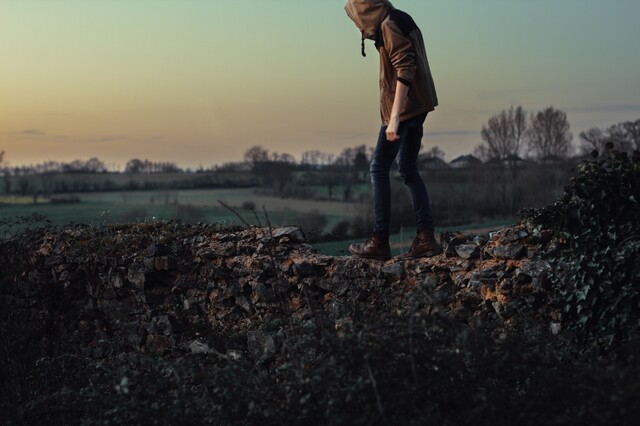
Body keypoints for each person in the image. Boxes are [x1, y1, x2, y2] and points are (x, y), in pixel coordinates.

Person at [345, 0, 442, 261]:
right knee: (408, 169)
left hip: (405, 109)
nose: (362, 31)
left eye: (361, 24)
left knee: (378, 168)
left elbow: (405, 66)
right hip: (419, 105)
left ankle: (379, 241)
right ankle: (425, 238)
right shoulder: (400, 17)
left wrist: (394, 117)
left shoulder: (388, 25)